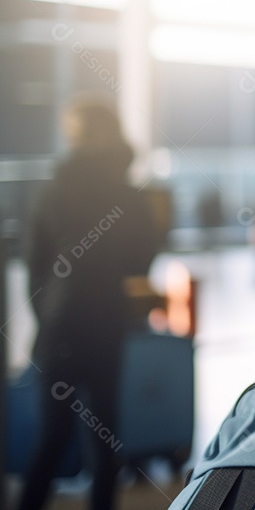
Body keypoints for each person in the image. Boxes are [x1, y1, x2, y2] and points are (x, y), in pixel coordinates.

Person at [19, 98, 159, 510]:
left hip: (59, 327)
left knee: (52, 438)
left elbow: (33, 265)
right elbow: (142, 259)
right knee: (105, 438)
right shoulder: (130, 196)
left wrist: (47, 315)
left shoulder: (53, 188)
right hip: (107, 324)